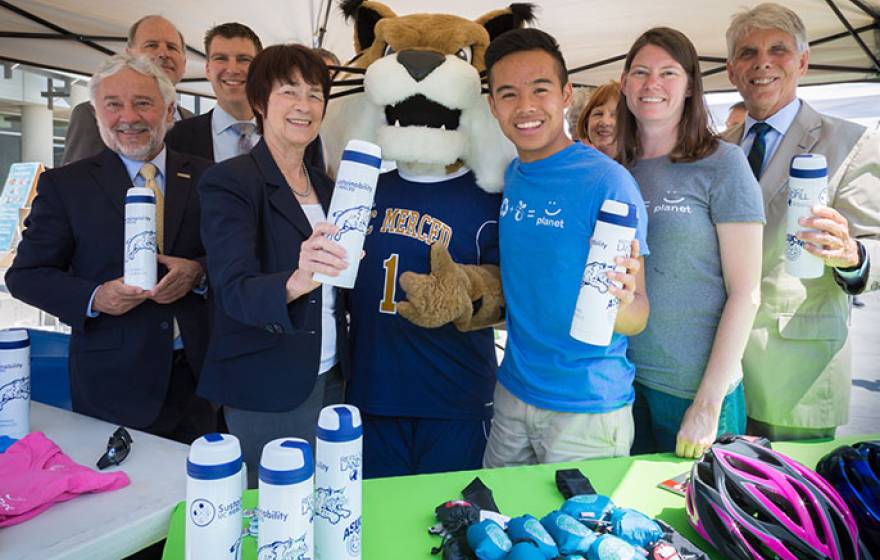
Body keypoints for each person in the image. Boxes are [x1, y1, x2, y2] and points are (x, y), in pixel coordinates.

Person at [6, 54, 215, 443]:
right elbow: (25, 276)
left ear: (169, 110)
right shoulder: (66, 186)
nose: (128, 117)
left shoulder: (210, 177)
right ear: (97, 113)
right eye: (113, 104)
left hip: (202, 380)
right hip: (113, 385)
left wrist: (198, 272)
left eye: (142, 103)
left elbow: (235, 256)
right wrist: (95, 296)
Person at [481, 28, 649, 467]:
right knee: (494, 528)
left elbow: (638, 317)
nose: (526, 107)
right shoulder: (512, 176)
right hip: (513, 392)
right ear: (492, 106)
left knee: (579, 536)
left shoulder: (607, 182)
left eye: (540, 90)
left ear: (566, 95)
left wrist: (625, 299)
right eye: (509, 94)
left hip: (587, 410)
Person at [723, 3, 880, 440]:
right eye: (748, 53)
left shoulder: (852, 141)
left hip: (797, 372)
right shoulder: (717, 149)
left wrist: (853, 255)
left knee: (791, 506)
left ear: (803, 62)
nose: (763, 63)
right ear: (733, 70)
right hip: (717, 371)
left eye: (778, 49)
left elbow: (876, 245)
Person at [196, 44, 346, 486]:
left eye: (316, 94)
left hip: (335, 375)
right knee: (276, 519)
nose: (305, 105)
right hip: (267, 383)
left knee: (331, 506)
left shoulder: (328, 185)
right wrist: (297, 280)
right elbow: (233, 287)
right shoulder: (230, 181)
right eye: (289, 92)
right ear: (260, 102)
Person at [617, 27, 765, 458]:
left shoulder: (723, 164)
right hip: (621, 383)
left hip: (692, 392)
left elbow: (746, 292)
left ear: (689, 87)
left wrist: (707, 404)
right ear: (625, 83)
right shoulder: (614, 169)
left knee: (700, 520)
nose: (652, 84)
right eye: (640, 72)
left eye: (668, 72)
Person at [63, 15, 194, 165]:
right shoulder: (90, 114)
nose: (163, 53)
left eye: (172, 47)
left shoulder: (191, 119)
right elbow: (77, 180)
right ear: (129, 55)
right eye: (152, 45)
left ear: (184, 62)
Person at [164, 23, 262, 162]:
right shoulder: (175, 138)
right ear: (207, 69)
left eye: (243, 59)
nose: (232, 69)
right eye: (221, 58)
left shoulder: (286, 134)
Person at [575, 80, 621, 159]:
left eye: (615, 115)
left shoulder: (640, 169)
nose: (605, 122)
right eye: (598, 114)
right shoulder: (577, 164)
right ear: (586, 121)